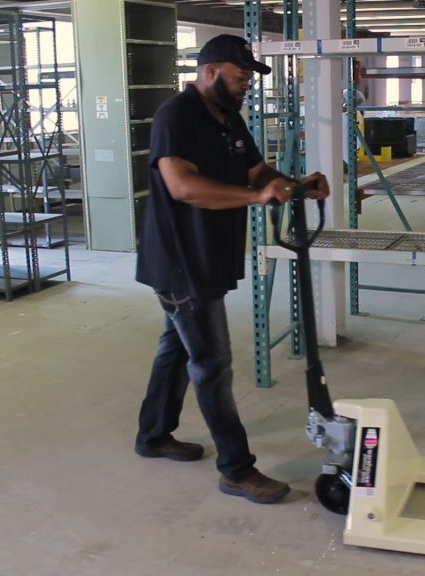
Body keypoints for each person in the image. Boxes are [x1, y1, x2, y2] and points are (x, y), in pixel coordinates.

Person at [134, 34, 330, 505]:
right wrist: (254, 198)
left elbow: (256, 173)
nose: (246, 86)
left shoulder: (229, 117)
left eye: (247, 78)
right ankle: (236, 470)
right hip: (182, 261)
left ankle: (154, 435)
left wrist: (295, 184)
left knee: (177, 350)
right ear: (210, 72)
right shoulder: (175, 116)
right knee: (212, 363)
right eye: (240, 77)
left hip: (211, 255)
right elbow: (181, 186)